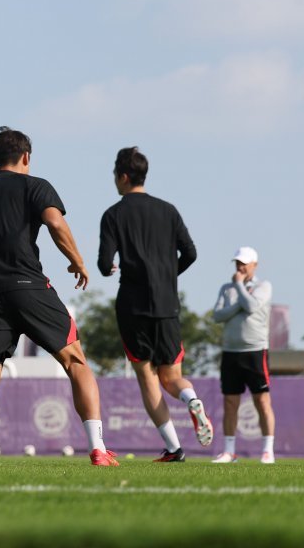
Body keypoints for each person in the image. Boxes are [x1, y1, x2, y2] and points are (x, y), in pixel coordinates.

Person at [0, 128, 118, 467]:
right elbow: (55, 222)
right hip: (27, 287)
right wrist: (77, 261)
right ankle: (98, 448)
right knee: (76, 361)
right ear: (26, 157)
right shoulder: (35, 185)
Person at [98, 146, 212, 462]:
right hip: (167, 304)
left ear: (122, 176)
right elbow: (190, 252)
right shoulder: (169, 210)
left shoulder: (113, 215)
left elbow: (104, 263)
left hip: (133, 306)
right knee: (172, 376)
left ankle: (175, 448)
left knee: (147, 377)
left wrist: (110, 268)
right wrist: (167, 275)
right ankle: (190, 398)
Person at [211, 246, 276, 464]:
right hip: (231, 352)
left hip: (255, 352)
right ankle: (229, 451)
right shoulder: (226, 288)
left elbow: (251, 306)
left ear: (254, 265)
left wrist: (239, 288)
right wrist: (239, 300)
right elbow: (217, 315)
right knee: (230, 402)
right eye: (237, 263)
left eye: (244, 263)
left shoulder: (263, 286)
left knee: (262, 401)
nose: (240, 267)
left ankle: (267, 450)